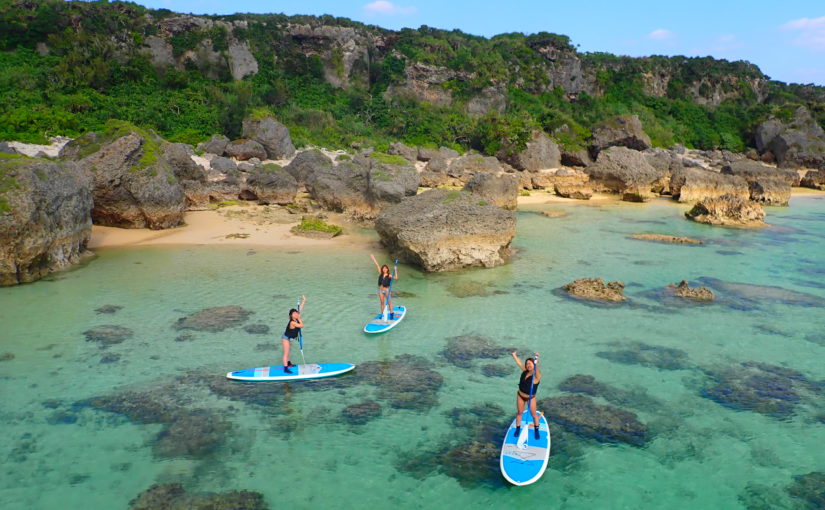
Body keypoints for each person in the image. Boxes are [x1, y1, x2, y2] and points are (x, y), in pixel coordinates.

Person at [512, 351, 542, 440]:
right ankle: (518, 429)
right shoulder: (525, 371)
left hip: (530, 398)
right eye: (527, 364)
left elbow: (537, 370)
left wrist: (536, 359)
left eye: (530, 364)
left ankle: (536, 430)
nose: (528, 365)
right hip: (520, 395)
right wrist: (514, 355)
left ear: (534, 365)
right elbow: (518, 362)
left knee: (534, 415)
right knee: (519, 413)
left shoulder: (536, 376)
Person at [281, 295, 306, 374]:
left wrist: (304, 300)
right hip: (285, 338)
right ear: (291, 315)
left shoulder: (295, 317)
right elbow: (302, 325)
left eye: (296, 313)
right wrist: (299, 318)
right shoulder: (293, 322)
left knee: (288, 351)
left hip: (288, 338)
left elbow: (300, 308)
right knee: (286, 353)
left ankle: (288, 363)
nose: (296, 314)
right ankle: (285, 368)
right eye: (294, 313)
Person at [370, 254, 398, 319]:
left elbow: (396, 277)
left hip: (387, 290)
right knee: (382, 302)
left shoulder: (389, 275)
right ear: (382, 269)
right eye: (383, 268)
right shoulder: (381, 273)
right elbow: (377, 265)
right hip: (380, 290)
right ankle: (382, 314)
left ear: (387, 269)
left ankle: (391, 314)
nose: (384, 269)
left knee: (389, 302)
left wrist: (395, 270)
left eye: (386, 268)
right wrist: (373, 258)